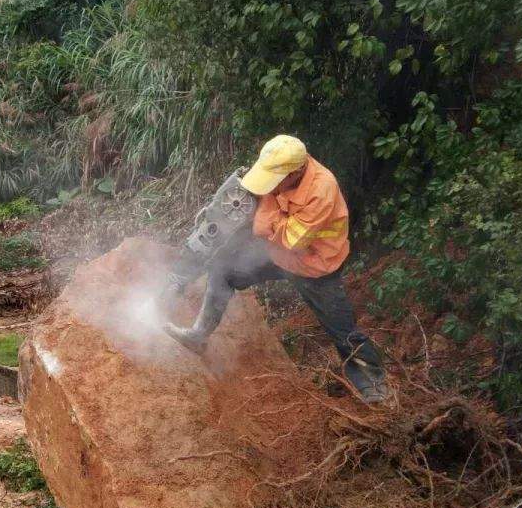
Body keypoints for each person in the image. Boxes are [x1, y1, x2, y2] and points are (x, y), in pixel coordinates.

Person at [163, 134, 387, 402]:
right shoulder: (279, 171)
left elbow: (292, 240)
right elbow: (258, 209)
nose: (270, 187)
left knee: (342, 331)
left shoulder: (321, 189)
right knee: (223, 269)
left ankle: (375, 391)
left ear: (296, 172)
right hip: (276, 254)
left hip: (314, 267)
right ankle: (198, 336)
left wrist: (261, 219)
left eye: (275, 181)